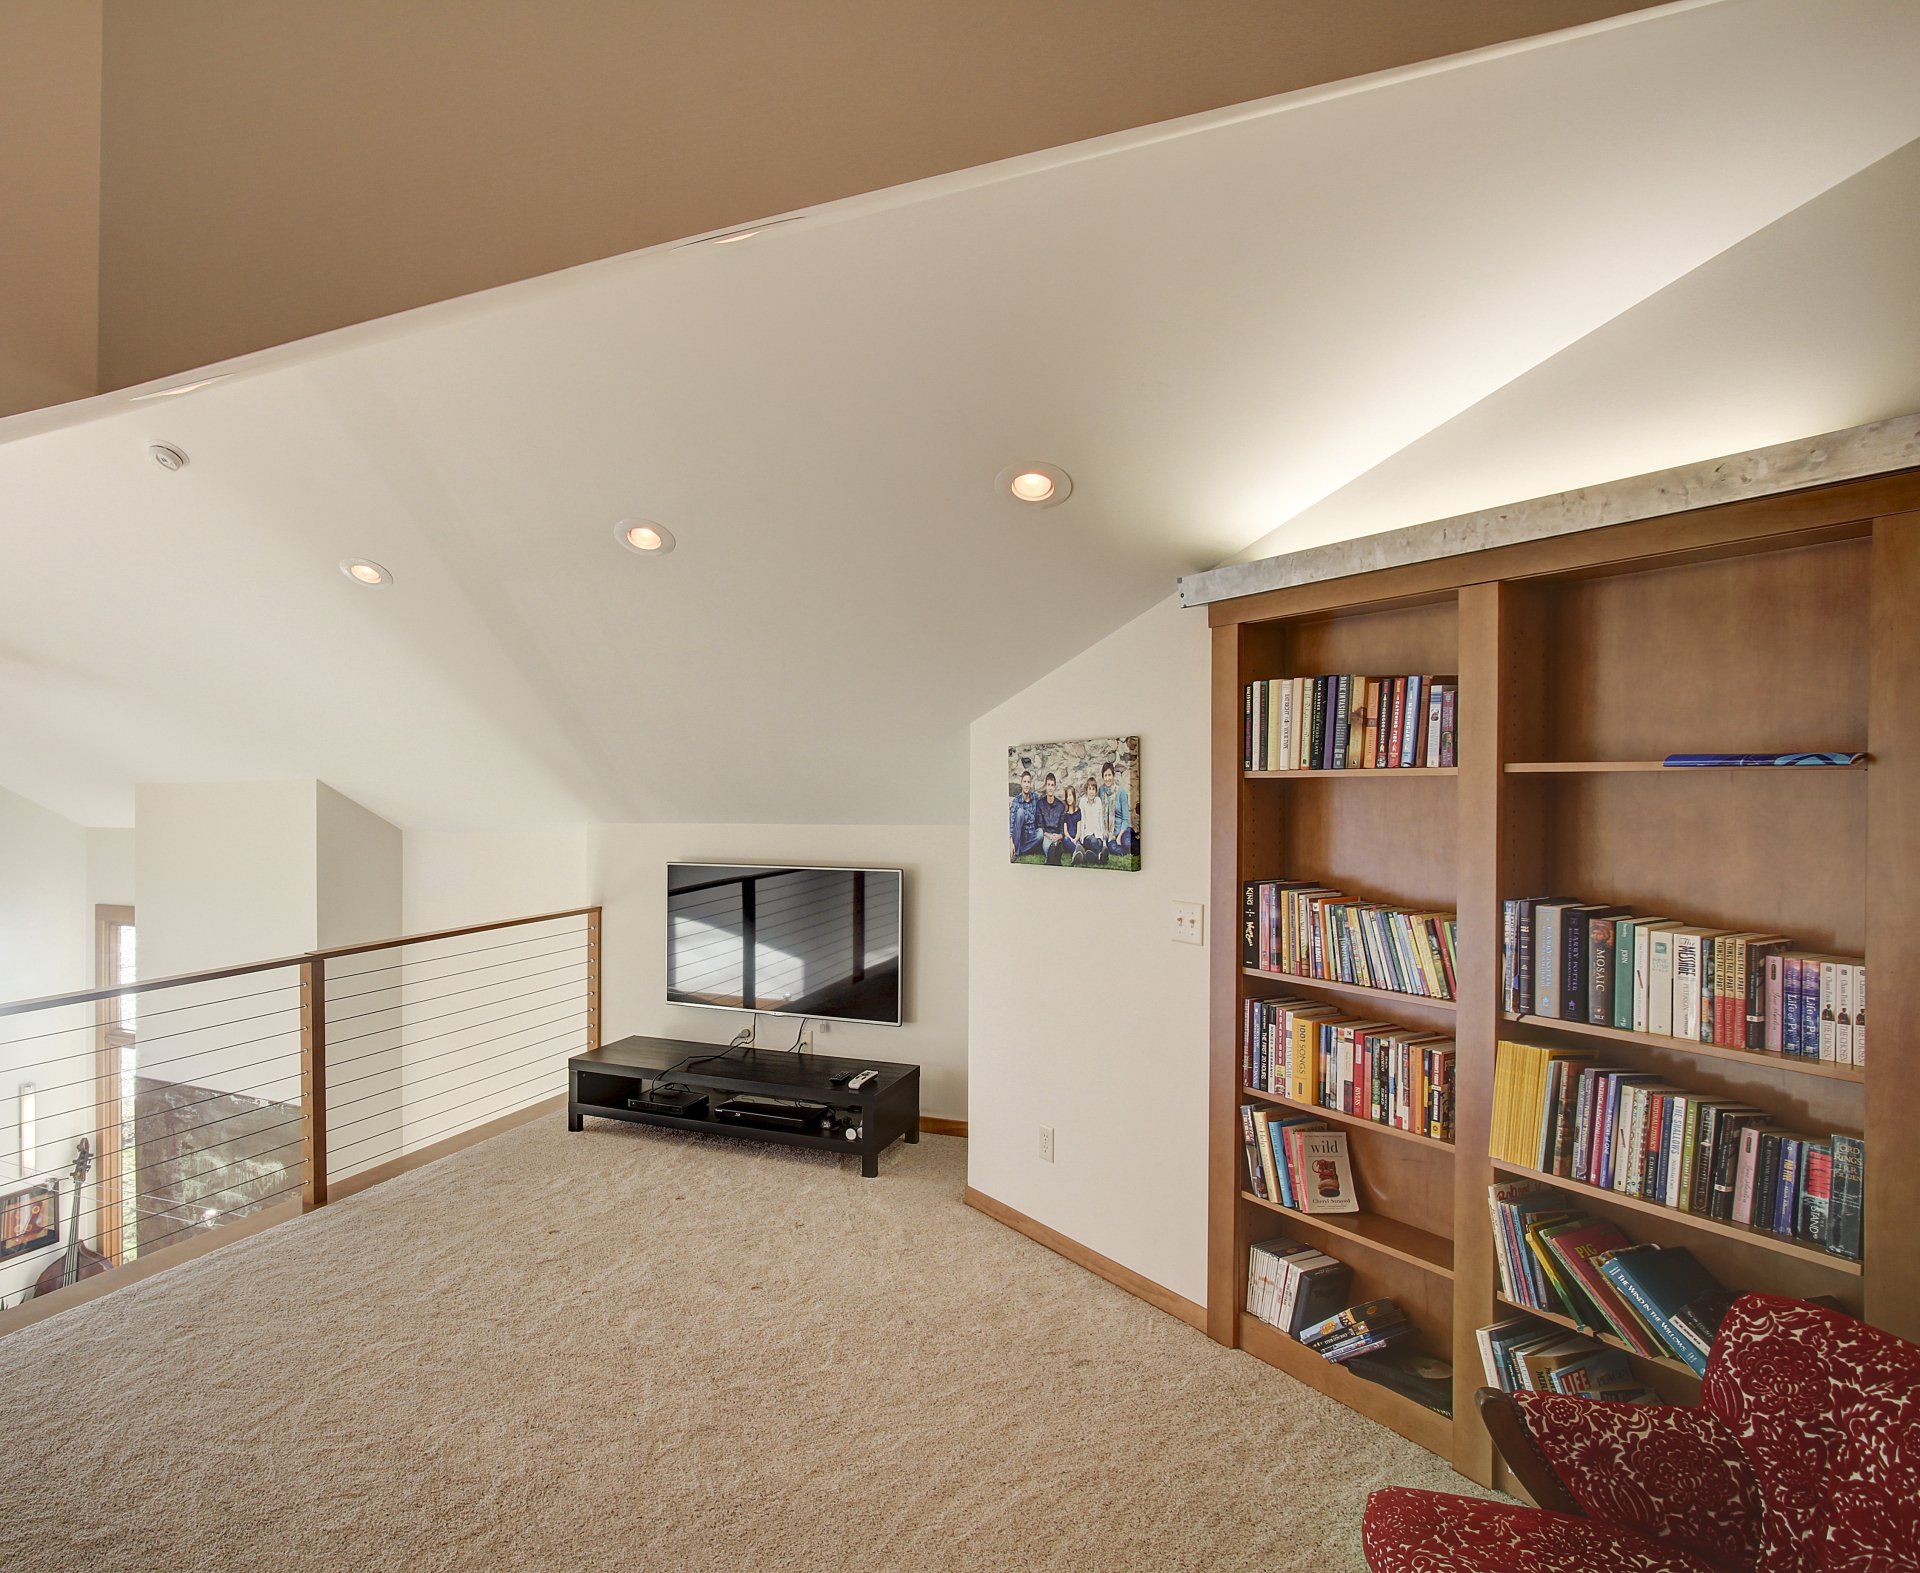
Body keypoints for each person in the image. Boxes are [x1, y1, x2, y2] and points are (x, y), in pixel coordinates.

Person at [1101, 760, 1135, 857]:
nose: (1107, 778)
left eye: (1109, 775)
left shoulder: (1121, 792)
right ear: (1102, 777)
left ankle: (1130, 841)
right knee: (1112, 847)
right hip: (1110, 833)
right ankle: (1119, 849)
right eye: (1105, 776)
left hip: (1122, 830)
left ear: (1113, 775)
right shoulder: (1101, 791)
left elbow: (1126, 819)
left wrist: (1119, 836)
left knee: (1127, 843)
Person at [1070, 775, 1108, 864]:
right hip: (1087, 836)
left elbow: (1100, 819)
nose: (1091, 792)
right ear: (1086, 790)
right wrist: (1082, 838)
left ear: (1095, 791)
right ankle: (1100, 856)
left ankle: (1090, 856)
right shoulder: (1083, 802)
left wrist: (1104, 839)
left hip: (1098, 834)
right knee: (1092, 840)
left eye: (1093, 789)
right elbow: (1082, 820)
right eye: (1089, 789)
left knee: (1098, 842)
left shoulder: (1098, 801)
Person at [1034, 771, 1069, 864]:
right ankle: (1051, 857)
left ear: (1055, 786)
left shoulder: (1060, 806)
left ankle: (1054, 855)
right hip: (1046, 835)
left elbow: (1062, 827)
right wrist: (1048, 835)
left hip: (1057, 836)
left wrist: (1059, 836)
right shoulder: (1040, 804)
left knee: (1056, 845)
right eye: (1048, 784)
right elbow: (1040, 825)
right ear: (1045, 786)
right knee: (1048, 846)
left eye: (1052, 785)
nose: (1050, 787)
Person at [1009, 768, 1041, 860]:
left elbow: (1037, 818)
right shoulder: (1016, 801)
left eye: (1028, 782)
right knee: (1020, 812)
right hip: (1020, 835)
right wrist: (1011, 842)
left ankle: (1021, 849)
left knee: (1041, 834)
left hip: (1031, 835)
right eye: (1025, 782)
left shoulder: (1035, 797)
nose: (1027, 785)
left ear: (1030, 784)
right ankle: (1017, 852)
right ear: (1021, 784)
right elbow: (1012, 823)